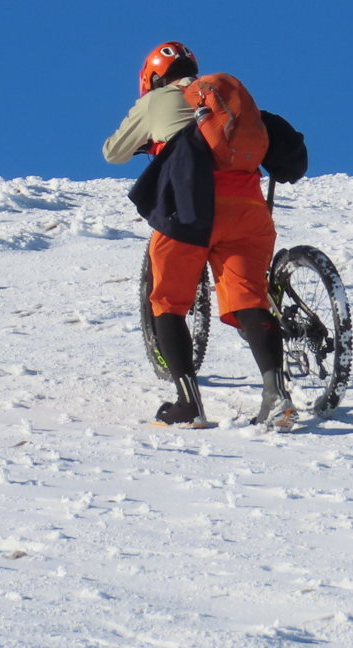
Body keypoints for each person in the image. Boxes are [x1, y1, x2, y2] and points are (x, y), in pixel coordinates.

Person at [105, 40, 296, 429]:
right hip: (246, 206)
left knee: (168, 302)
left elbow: (114, 152)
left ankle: (188, 404)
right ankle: (276, 396)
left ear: (153, 78)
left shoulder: (155, 101)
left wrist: (152, 140)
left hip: (188, 209)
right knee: (248, 299)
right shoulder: (222, 98)